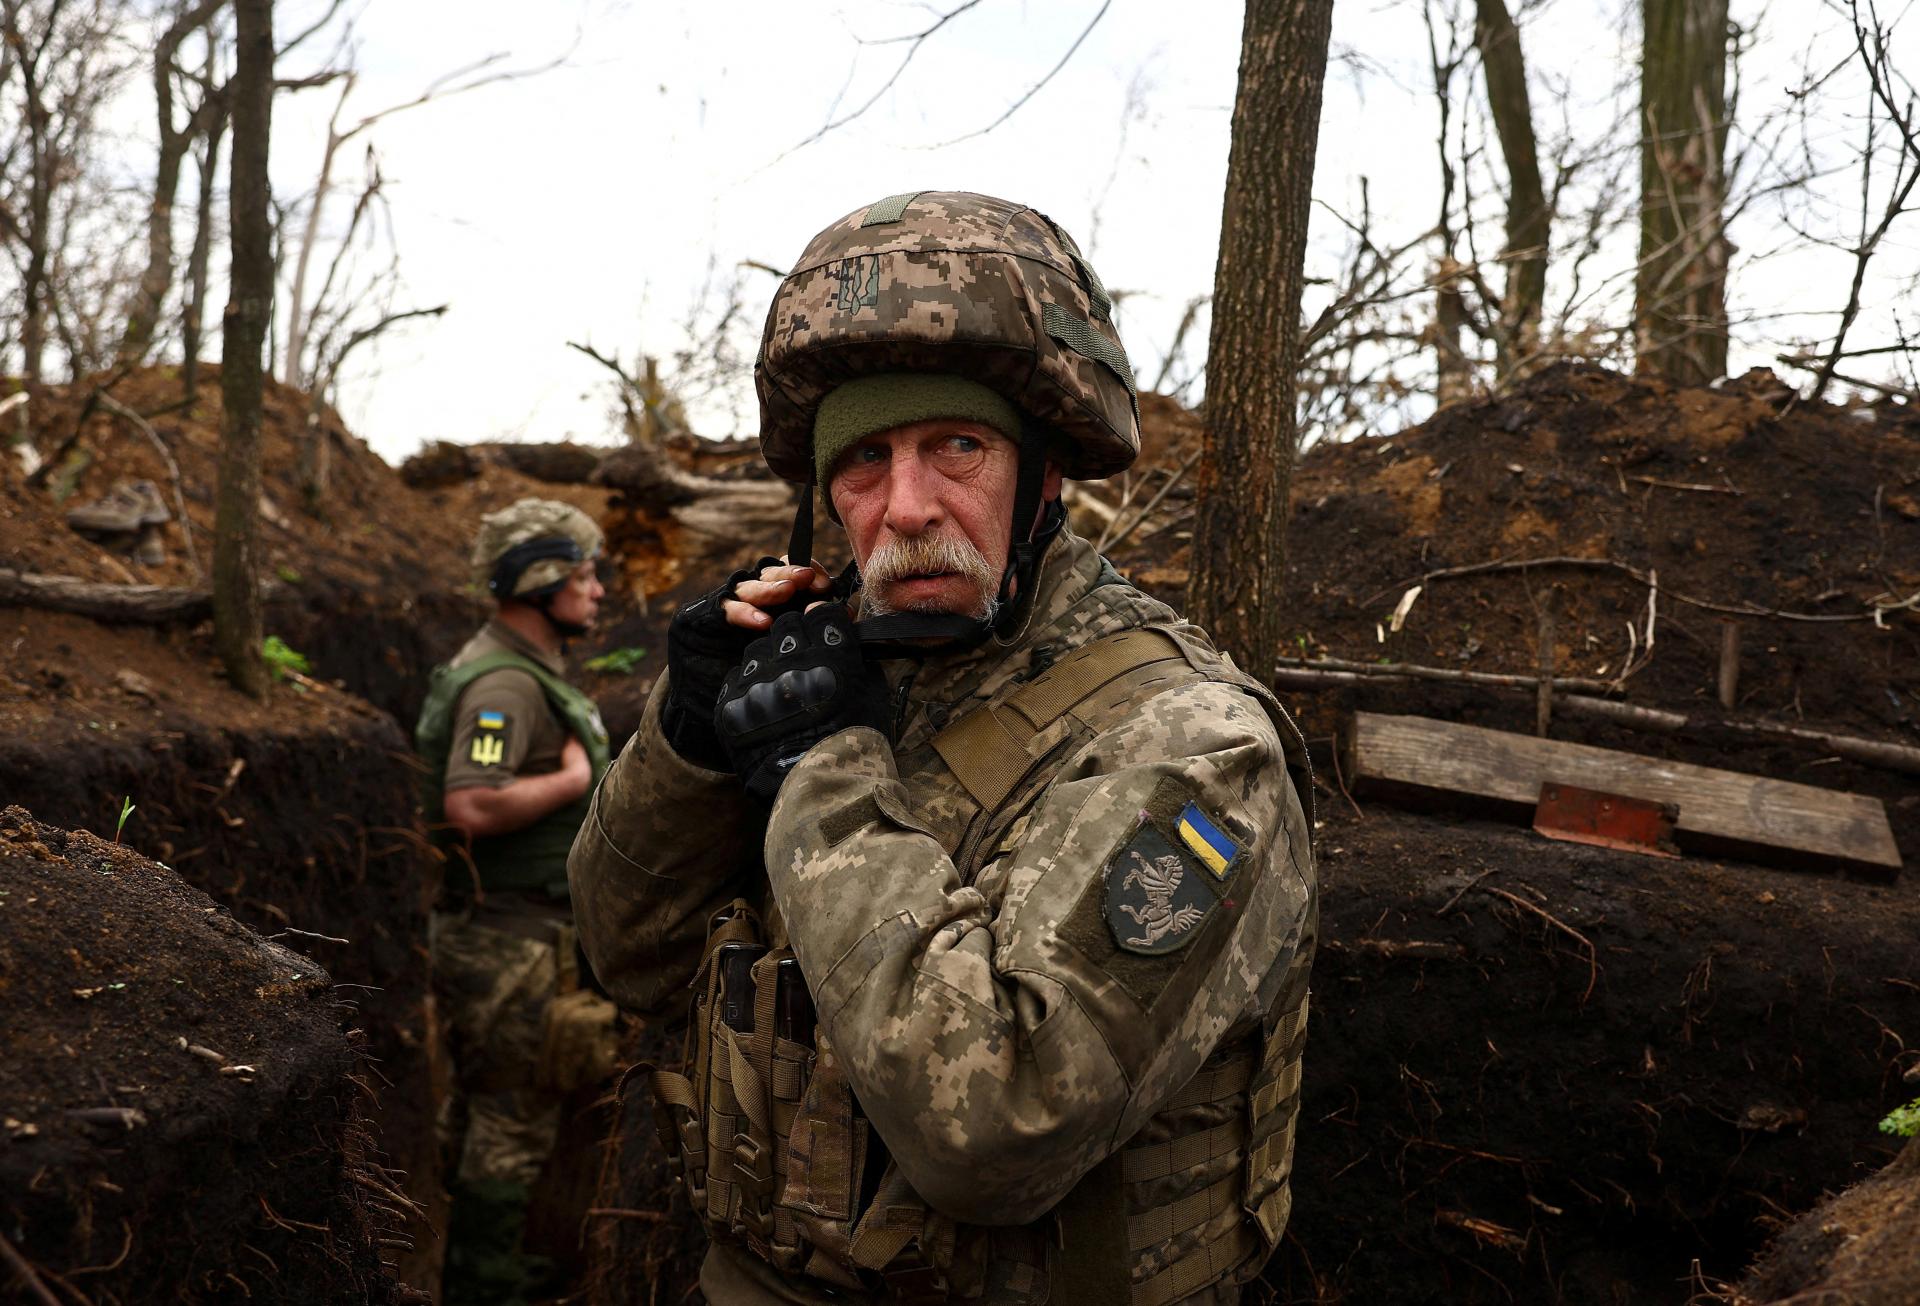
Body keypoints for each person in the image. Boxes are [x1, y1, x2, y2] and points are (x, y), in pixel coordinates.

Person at [570, 192, 1318, 1304]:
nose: (906, 505)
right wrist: (684, 745)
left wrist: (822, 773)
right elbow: (621, 955)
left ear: (1045, 475)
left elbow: (1001, 1124)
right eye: (864, 460)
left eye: (955, 446)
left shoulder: (1191, 743)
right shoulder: (835, 670)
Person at [414, 497, 618, 1297]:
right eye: (583, 574)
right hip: (510, 941)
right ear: (538, 583)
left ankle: (474, 1259)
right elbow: (471, 803)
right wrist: (572, 779)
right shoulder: (505, 686)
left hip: (497, 932)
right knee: (511, 1117)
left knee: (481, 1105)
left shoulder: (514, 670)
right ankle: (484, 1282)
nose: (597, 589)